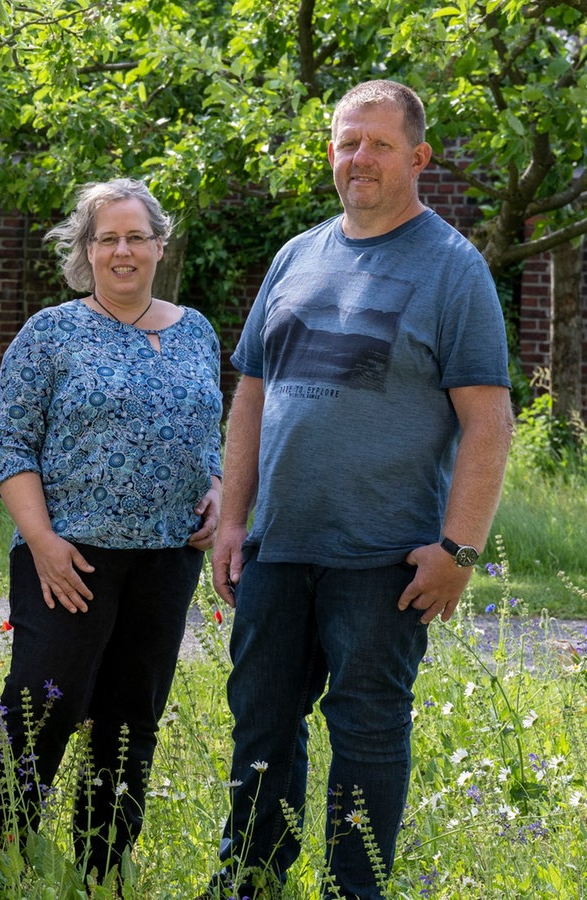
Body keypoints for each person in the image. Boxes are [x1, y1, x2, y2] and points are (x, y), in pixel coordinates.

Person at [205, 81, 512, 900]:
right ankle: (251, 881)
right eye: (347, 142)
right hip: (281, 546)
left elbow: (489, 421)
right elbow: (253, 395)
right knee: (262, 726)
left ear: (417, 157)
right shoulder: (296, 255)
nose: (359, 158)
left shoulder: (453, 270)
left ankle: (354, 891)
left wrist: (460, 550)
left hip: (386, 556)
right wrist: (233, 521)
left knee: (367, 733)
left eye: (378, 143)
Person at [0, 178, 224, 884]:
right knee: (41, 705)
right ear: (86, 250)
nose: (123, 250)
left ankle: (102, 866)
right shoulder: (51, 332)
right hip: (70, 556)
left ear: (158, 245)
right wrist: (46, 542)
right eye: (107, 237)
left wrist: (212, 487)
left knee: (130, 719)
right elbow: (12, 447)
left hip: (167, 560)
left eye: (135, 236)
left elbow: (207, 433)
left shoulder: (197, 331)